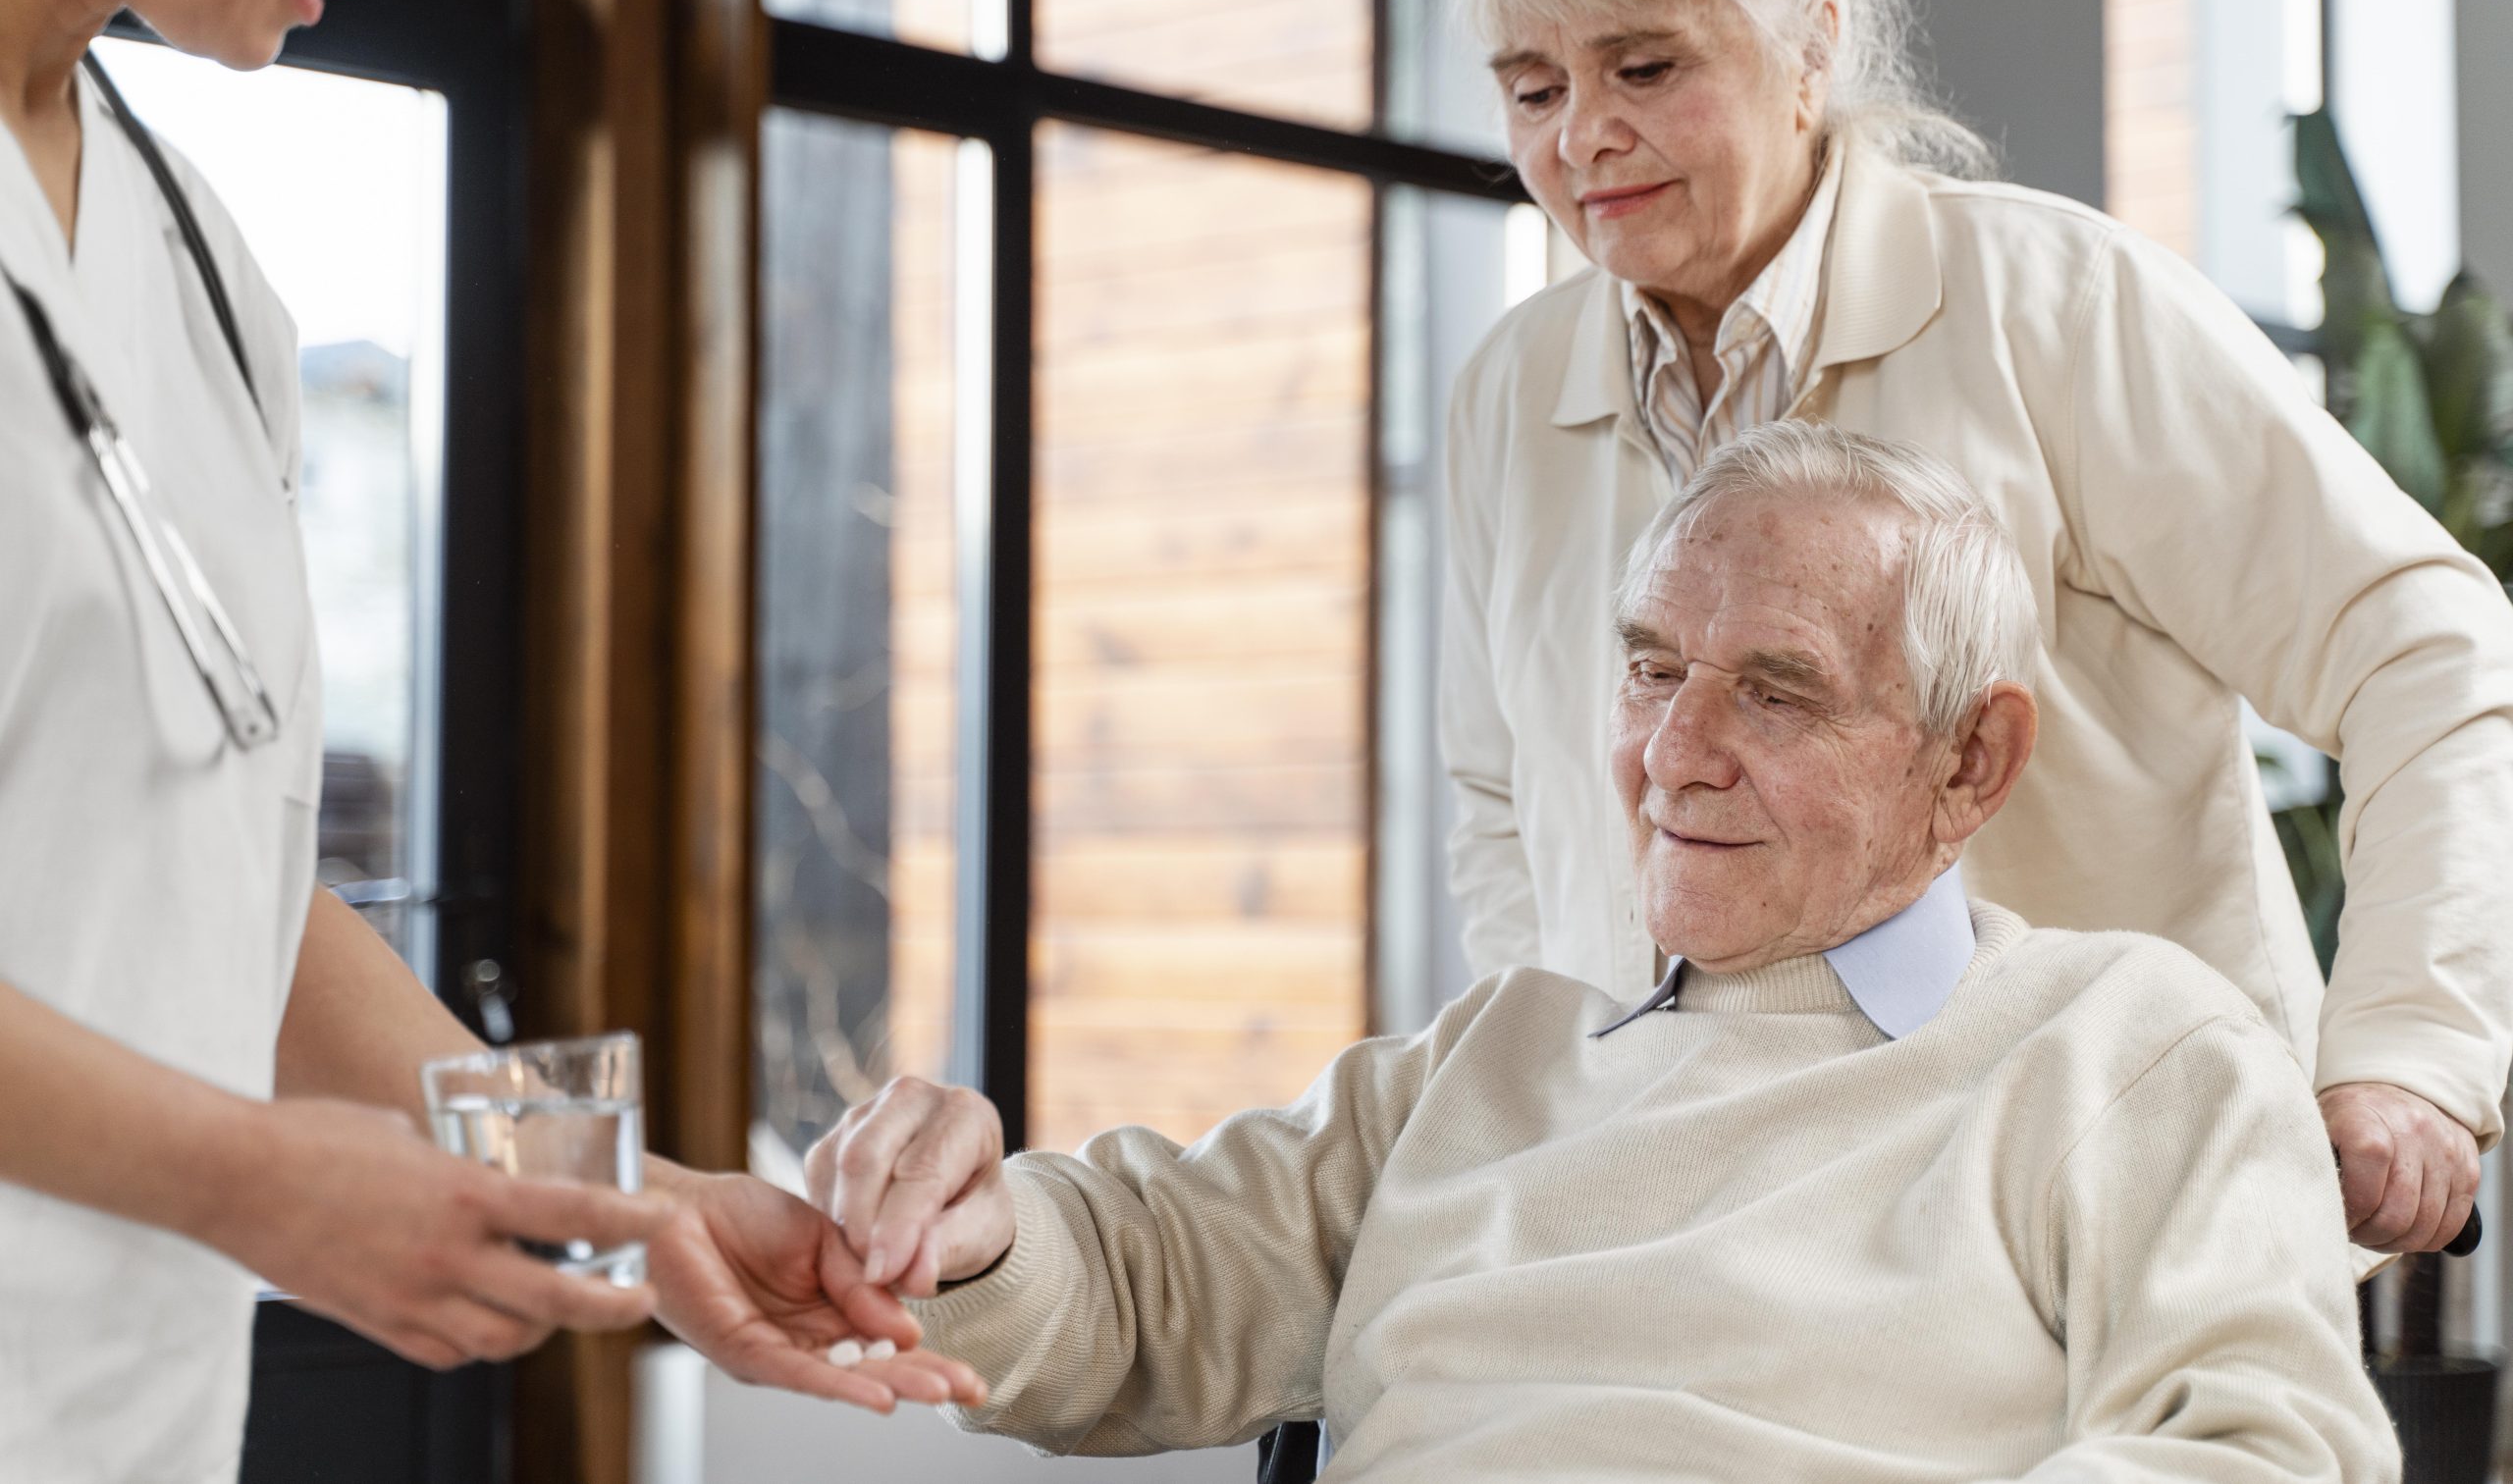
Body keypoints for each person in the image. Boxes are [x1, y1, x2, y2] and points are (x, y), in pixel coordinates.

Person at [806, 424, 2398, 1482]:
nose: (1672, 754)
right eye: (1651, 669)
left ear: (1970, 764)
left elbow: (2266, 1450)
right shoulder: (1491, 1057)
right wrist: (974, 1225)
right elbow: (1146, 1280)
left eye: (1773, 692)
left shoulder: (2129, 1049)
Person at [0, 0, 979, 1477]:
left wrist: (630, 1199)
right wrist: (238, 1177)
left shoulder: (201, 268)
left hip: (124, 1419)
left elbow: (224, 878)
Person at [1437, 0, 2513, 1260]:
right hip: (1703, 1249)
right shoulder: (1506, 394)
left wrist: (2414, 1051)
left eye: (1645, 68)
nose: (1580, 135)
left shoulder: (2053, 305)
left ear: (1811, 51)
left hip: (2109, 1227)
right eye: (1533, 88)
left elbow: (2423, 645)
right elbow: (1499, 809)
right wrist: (1560, 1113)